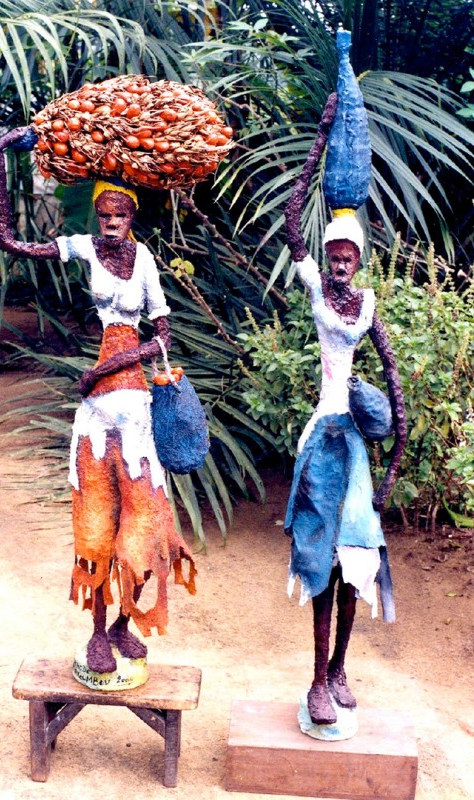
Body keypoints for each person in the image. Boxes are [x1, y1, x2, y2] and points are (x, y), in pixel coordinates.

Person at [0, 127, 196, 675]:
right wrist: (0, 160)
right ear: (96, 218)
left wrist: (108, 366)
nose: (109, 224)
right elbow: (13, 243)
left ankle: (123, 625)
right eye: (103, 216)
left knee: (147, 521)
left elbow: (163, 333)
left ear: (132, 217)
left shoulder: (147, 261)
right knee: (95, 524)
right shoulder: (85, 249)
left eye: (119, 216)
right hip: (96, 420)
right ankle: (96, 636)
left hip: (134, 409)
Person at [284, 98, 407, 726]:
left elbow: (390, 376)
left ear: (359, 260)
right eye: (332, 251)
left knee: (358, 556)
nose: (337, 259)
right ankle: (314, 680)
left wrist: (391, 463)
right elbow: (285, 221)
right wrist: (322, 134)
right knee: (319, 557)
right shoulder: (316, 289)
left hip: (355, 439)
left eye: (347, 254)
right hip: (323, 434)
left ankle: (339, 670)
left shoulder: (367, 304)